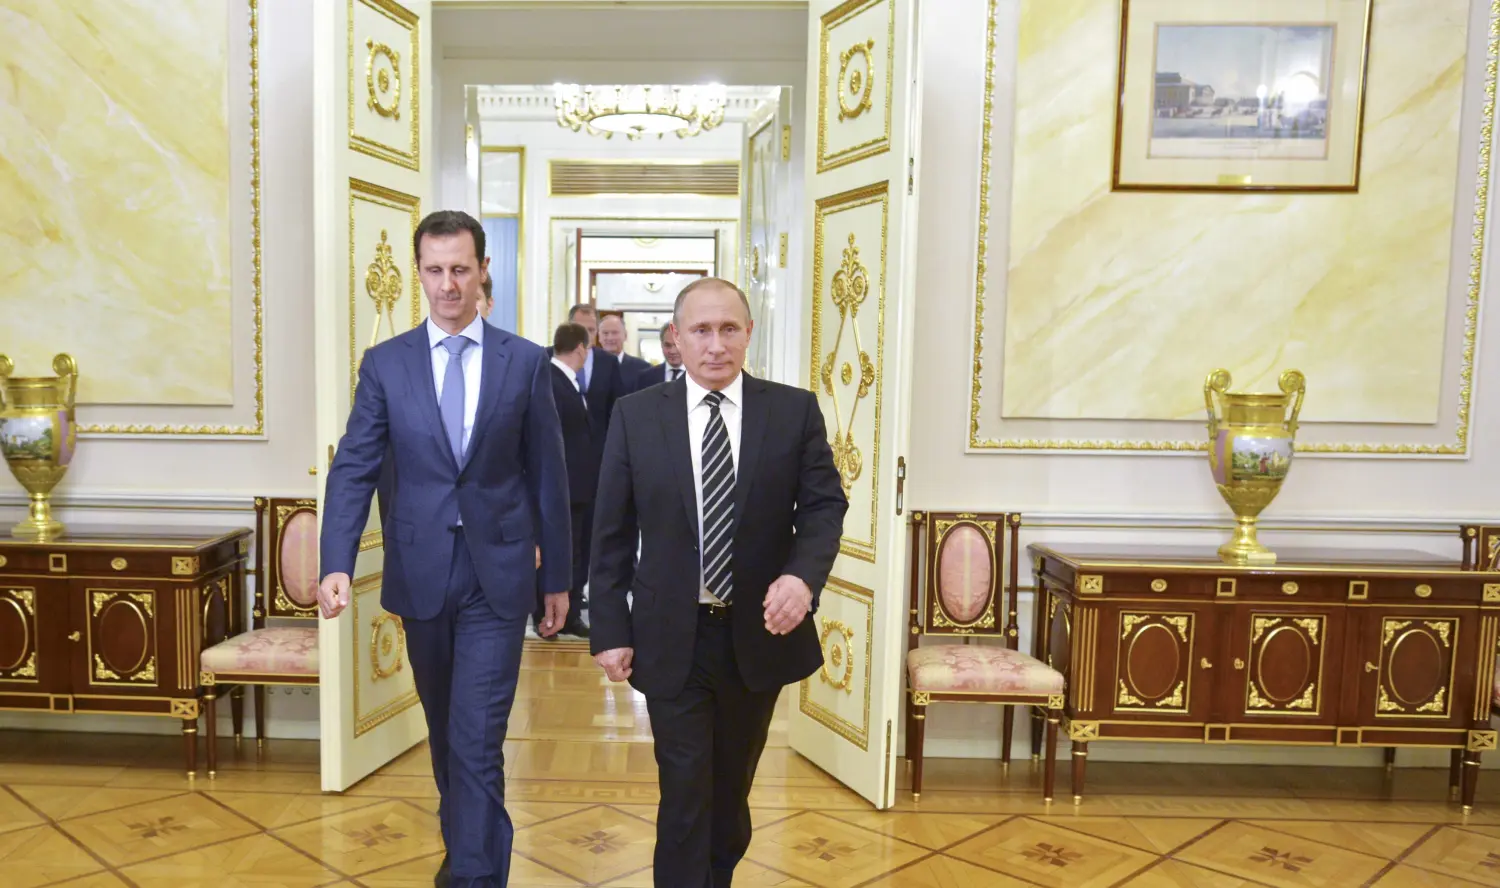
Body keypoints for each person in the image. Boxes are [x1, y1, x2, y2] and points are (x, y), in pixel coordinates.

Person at [317, 210, 572, 888]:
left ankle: (474, 877)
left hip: (500, 575)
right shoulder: (386, 364)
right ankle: (465, 849)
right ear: (418, 273)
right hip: (421, 572)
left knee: (475, 739)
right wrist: (336, 560)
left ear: (483, 269)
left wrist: (560, 579)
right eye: (435, 270)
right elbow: (355, 466)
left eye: (461, 268)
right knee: (446, 736)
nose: (448, 284)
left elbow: (549, 474)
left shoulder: (524, 362)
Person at [589, 277, 847, 888]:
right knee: (684, 792)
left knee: (730, 795)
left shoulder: (792, 411)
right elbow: (610, 533)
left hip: (755, 634)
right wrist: (609, 628)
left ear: (748, 333)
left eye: (729, 328)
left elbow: (823, 509)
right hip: (670, 634)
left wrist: (801, 578)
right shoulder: (636, 415)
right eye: (701, 330)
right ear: (676, 339)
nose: (715, 344)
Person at [538, 322, 595, 639]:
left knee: (575, 553)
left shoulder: (564, 381)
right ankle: (561, 616)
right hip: (567, 490)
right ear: (581, 348)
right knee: (566, 554)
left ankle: (564, 613)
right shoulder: (553, 381)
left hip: (578, 489)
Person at [598, 310, 652, 386]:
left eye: (614, 333)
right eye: (605, 333)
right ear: (599, 337)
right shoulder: (590, 368)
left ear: (625, 335)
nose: (610, 338)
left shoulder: (643, 368)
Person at [631, 320, 685, 392]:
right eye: (667, 345)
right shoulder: (645, 378)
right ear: (661, 345)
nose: (672, 351)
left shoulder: (700, 378)